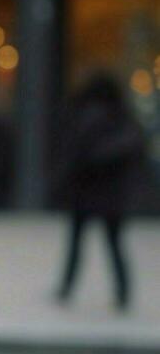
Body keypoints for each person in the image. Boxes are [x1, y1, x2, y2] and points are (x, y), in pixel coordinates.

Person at [53, 72, 149, 311]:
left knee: (84, 243)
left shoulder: (90, 115)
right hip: (105, 194)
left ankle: (68, 287)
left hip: (92, 192)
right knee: (110, 244)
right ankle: (121, 292)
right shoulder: (119, 116)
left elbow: (77, 154)